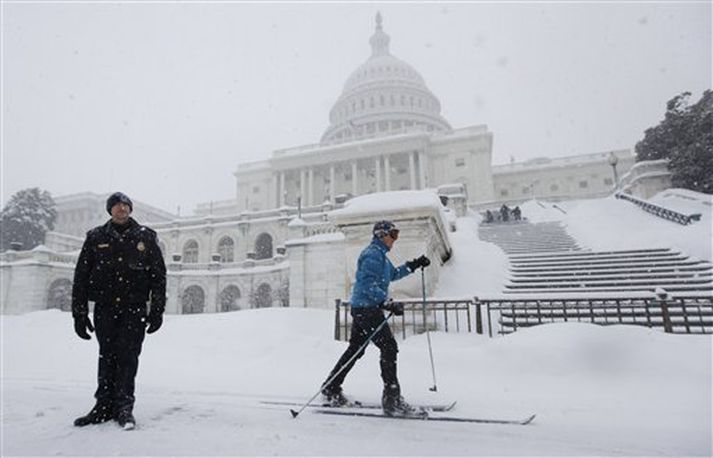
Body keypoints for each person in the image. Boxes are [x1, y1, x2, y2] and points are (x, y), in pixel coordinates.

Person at [71, 192, 166, 430]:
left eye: (125, 206)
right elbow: (81, 277)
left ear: (130, 210)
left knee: (128, 357)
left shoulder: (145, 236)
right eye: (116, 206)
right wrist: (79, 313)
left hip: (133, 309)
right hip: (105, 308)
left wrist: (157, 310)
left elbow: (158, 277)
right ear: (110, 210)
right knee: (107, 355)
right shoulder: (95, 237)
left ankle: (124, 408)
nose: (121, 210)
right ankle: (102, 407)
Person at [320, 220, 431, 416]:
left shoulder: (380, 255)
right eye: (393, 235)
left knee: (356, 350)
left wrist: (414, 264)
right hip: (367, 309)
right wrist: (386, 302)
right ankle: (392, 400)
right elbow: (366, 285)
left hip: (364, 308)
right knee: (389, 347)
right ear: (382, 235)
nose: (395, 239)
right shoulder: (372, 254)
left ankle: (331, 387)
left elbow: (393, 274)